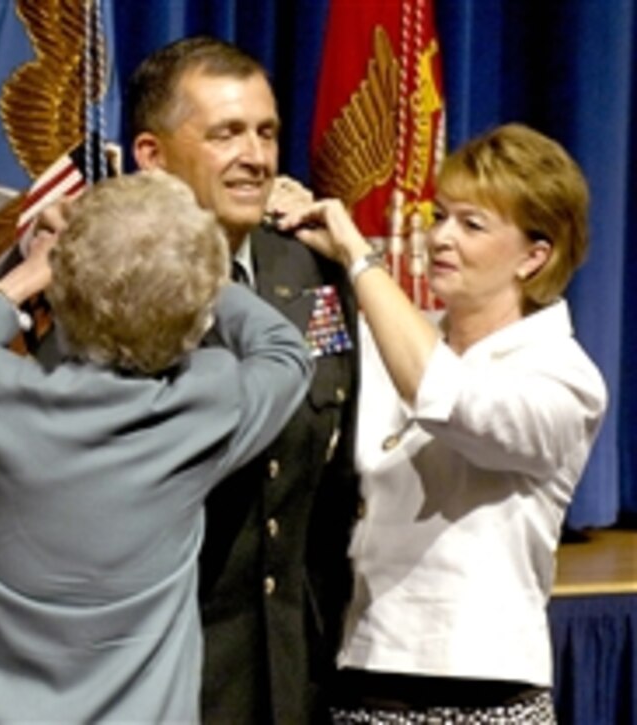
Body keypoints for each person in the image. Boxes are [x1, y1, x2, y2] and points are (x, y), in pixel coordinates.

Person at [0, 171, 314, 722]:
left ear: (63, 289)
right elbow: (285, 351)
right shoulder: (206, 407)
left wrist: (22, 279)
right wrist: (191, 265)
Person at [269, 123, 608, 722]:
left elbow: (443, 396)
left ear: (535, 256)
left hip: (483, 697)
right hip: (361, 679)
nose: (441, 239)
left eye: (472, 225)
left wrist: (358, 255)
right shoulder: (399, 334)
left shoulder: (565, 377)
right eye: (441, 216)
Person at [126, 37, 361, 723]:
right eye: (226, 133)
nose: (256, 157)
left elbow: (331, 485)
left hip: (290, 672)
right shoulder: (109, 289)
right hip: (163, 675)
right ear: (152, 156)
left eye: (266, 133)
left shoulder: (308, 271)